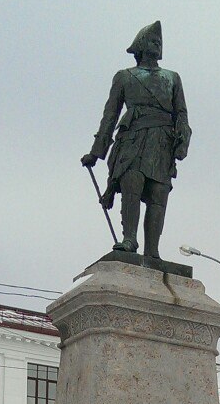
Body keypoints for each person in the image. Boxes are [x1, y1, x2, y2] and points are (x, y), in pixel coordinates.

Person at [81, 21, 191, 261]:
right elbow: (110, 115)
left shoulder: (172, 78)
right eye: (152, 40)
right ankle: (129, 239)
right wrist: (96, 152)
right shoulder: (124, 77)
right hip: (133, 140)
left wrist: (183, 141)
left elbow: (181, 114)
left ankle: (152, 250)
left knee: (158, 193)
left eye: (159, 42)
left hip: (161, 142)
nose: (157, 44)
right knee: (132, 183)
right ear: (140, 46)